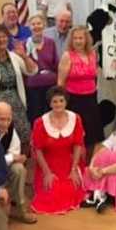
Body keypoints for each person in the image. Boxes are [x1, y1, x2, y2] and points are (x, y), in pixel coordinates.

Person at [30, 86, 86, 214]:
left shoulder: (75, 118)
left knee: (71, 189)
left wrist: (74, 169)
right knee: (51, 192)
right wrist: (47, 172)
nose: (58, 104)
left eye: (61, 100)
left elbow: (78, 145)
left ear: (66, 102)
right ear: (49, 103)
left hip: (70, 162)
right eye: (54, 101)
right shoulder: (40, 122)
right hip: (47, 164)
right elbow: (37, 150)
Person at [0, 24, 38, 150]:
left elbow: (33, 70)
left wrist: (24, 56)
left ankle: (21, 161)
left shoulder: (13, 56)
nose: (1, 40)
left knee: (24, 132)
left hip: (16, 99)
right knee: (2, 132)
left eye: (4, 37)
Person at [58, 25, 102, 160]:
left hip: (91, 100)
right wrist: (61, 104)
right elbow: (60, 82)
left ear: (86, 39)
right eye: (75, 38)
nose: (78, 41)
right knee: (75, 135)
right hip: (74, 101)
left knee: (92, 135)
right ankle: (73, 165)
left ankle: (88, 164)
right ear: (71, 40)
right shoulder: (67, 56)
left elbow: (95, 76)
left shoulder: (93, 54)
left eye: (81, 38)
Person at [0, 102, 37, 224]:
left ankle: (22, 210)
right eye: (1, 119)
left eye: (9, 119)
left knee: (19, 169)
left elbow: (15, 152)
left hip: (2, 171)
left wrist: (11, 158)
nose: (6, 123)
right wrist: (11, 158)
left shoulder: (10, 129)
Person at [24, 14, 59, 125]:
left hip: (50, 86)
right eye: (33, 24)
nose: (36, 26)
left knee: (51, 116)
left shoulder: (50, 42)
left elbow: (55, 65)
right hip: (33, 87)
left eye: (39, 23)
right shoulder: (25, 44)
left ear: (44, 25)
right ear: (29, 27)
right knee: (36, 117)